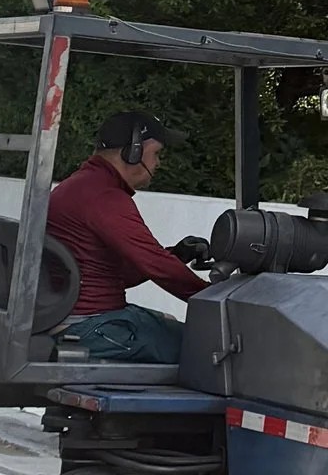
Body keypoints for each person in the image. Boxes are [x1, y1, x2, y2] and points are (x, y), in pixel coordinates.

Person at [46, 110, 209, 363]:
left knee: (168, 324)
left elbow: (115, 275)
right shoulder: (105, 197)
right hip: (90, 328)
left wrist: (177, 254)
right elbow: (159, 267)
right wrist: (220, 304)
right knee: (209, 350)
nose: (158, 164)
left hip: (75, 322)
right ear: (133, 152)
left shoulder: (78, 186)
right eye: (156, 154)